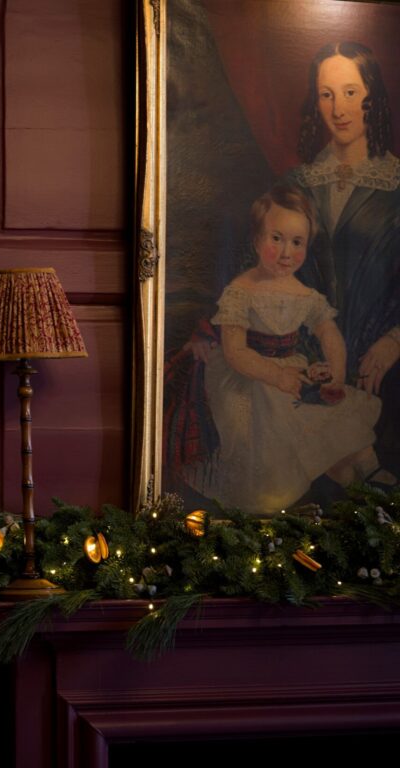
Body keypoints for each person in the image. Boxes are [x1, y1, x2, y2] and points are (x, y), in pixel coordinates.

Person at [181, 185, 381, 512]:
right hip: (246, 376)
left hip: (290, 370)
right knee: (277, 432)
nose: (287, 252)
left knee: (333, 423)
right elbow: (235, 352)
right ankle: (275, 506)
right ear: (258, 240)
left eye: (297, 242)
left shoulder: (303, 293)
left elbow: (329, 332)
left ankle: (366, 493)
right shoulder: (241, 291)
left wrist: (335, 373)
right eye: (277, 238)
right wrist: (276, 376)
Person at [286, 41, 400, 480]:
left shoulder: (396, 184)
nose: (339, 108)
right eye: (326, 94)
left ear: (373, 96)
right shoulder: (296, 184)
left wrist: (394, 341)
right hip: (307, 359)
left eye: (351, 92)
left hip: (381, 361)